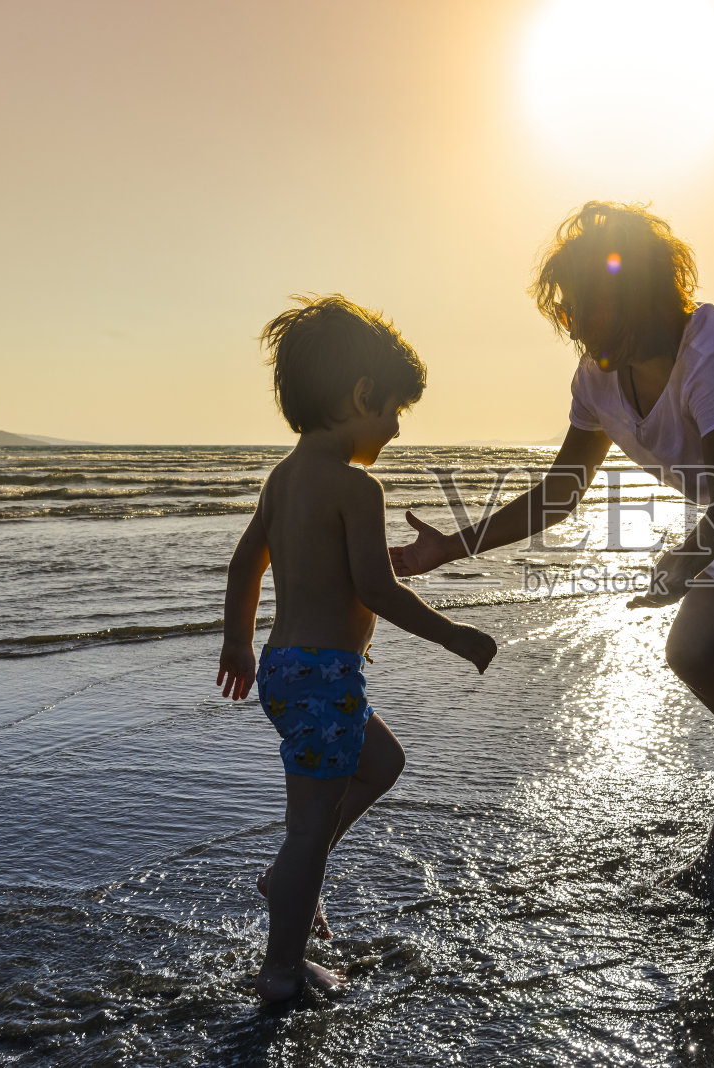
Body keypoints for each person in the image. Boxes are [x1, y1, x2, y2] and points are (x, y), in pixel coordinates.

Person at [391, 203, 714, 895]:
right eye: (565, 311)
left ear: (633, 298)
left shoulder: (710, 353)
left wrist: (682, 562)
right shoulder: (596, 381)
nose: (571, 324)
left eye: (584, 308)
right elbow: (559, 493)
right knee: (689, 654)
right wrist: (448, 547)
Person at [217, 294, 497, 1001]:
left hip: (288, 671)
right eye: (394, 409)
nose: (397, 428)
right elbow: (377, 592)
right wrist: (456, 635)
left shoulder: (282, 478)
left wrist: (240, 644)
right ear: (361, 393)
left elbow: (248, 560)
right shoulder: (356, 487)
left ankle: (288, 879)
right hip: (324, 677)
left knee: (382, 762)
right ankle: (281, 966)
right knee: (309, 828)